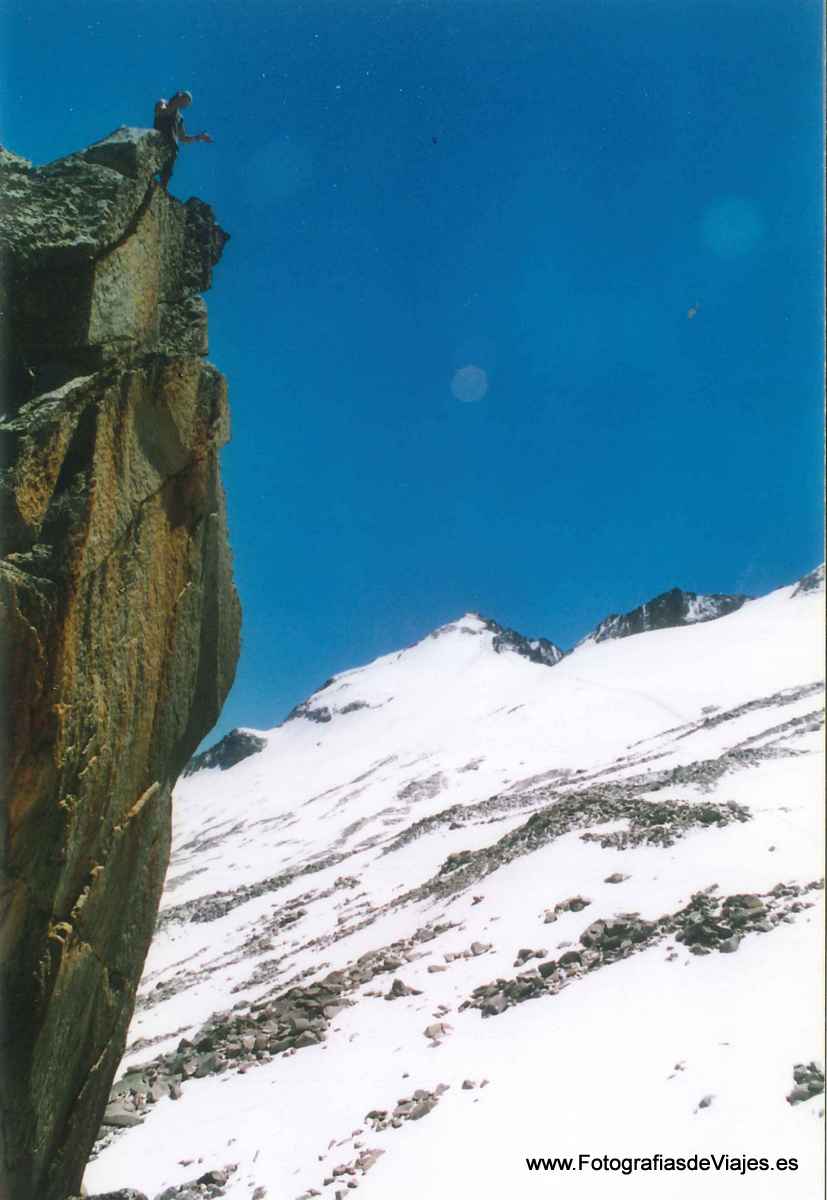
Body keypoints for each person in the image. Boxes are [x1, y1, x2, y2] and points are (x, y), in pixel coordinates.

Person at [153, 90, 213, 190]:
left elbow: (183, 138)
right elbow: (161, 112)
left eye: (186, 104)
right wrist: (175, 105)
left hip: (172, 147)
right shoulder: (163, 102)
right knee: (154, 165)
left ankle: (162, 189)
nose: (183, 105)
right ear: (179, 97)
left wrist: (199, 137)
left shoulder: (180, 118)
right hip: (159, 138)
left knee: (166, 173)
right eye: (184, 101)